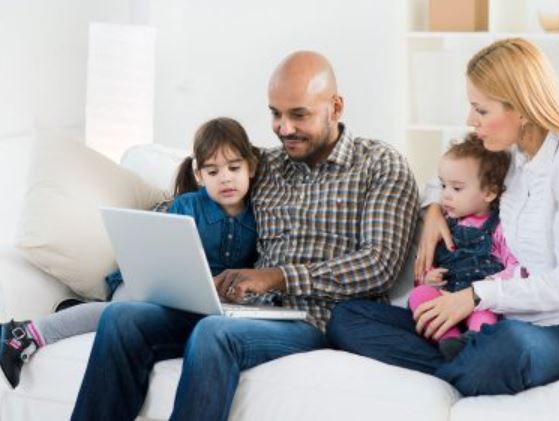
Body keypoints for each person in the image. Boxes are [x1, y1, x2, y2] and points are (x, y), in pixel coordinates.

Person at [70, 51, 420, 421]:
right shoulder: (265, 165)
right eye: (275, 113)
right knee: (122, 320)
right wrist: (167, 228)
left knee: (213, 334)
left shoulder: (380, 165)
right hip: (244, 309)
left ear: (335, 107)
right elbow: (208, 181)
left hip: (317, 319)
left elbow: (380, 264)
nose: (284, 128)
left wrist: (277, 277)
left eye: (298, 114)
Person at [327, 38, 559, 396]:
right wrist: (433, 210)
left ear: (522, 109)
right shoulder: (512, 157)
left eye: (481, 110)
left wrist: (474, 296)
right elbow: (444, 180)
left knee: (510, 346)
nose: (472, 120)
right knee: (348, 317)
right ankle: (468, 363)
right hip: (502, 320)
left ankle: (465, 364)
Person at [0, 116, 260, 389]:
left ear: (250, 166)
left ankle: (81, 312)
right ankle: (22, 334)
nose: (226, 178)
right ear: (199, 175)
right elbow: (156, 259)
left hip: (197, 305)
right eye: (213, 171)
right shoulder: (188, 206)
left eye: (234, 167)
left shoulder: (259, 217)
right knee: (128, 312)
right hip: (146, 286)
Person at [408, 132, 517, 361]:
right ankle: (450, 340)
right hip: (446, 294)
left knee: (485, 313)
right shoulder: (442, 225)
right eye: (443, 185)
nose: (445, 195)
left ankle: (476, 342)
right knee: (417, 296)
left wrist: (487, 287)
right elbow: (427, 266)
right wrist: (428, 279)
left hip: (479, 299)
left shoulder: (499, 226)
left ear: (489, 192)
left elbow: (514, 267)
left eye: (457, 189)